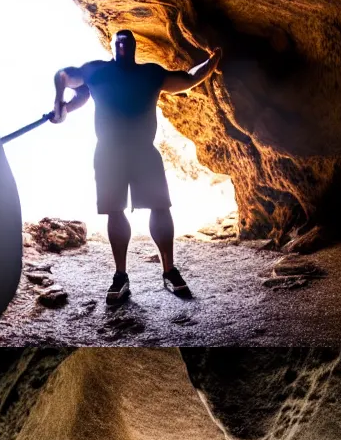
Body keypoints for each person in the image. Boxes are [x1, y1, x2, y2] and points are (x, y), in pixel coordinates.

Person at [50, 29, 223, 305]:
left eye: (127, 41)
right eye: (118, 41)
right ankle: (121, 276)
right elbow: (63, 77)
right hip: (108, 153)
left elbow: (189, 79)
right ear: (111, 45)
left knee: (160, 207)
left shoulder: (150, 74)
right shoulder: (96, 71)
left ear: (134, 46)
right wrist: (61, 105)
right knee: (115, 211)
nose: (123, 45)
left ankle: (169, 270)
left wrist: (214, 59)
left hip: (144, 151)